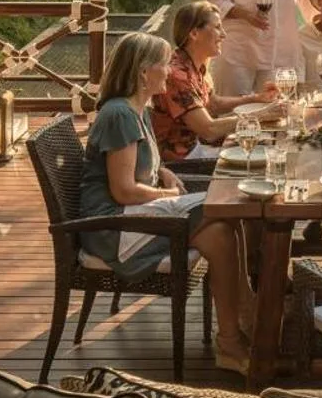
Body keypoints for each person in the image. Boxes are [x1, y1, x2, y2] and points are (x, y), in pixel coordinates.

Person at [78, 32, 256, 372]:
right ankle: (247, 314)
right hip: (113, 228)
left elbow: (140, 163)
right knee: (223, 204)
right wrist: (169, 195)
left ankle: (232, 337)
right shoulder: (119, 115)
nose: (170, 70)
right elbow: (124, 191)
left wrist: (164, 172)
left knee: (220, 233)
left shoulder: (138, 108)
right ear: (143, 72)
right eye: (164, 64)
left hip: (135, 216)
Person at [151, 0, 276, 162]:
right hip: (179, 163)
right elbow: (208, 129)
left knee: (266, 147)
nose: (224, 34)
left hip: (197, 150)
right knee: (264, 158)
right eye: (217, 27)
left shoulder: (191, 64)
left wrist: (257, 98)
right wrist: (262, 115)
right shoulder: (177, 76)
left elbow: (213, 103)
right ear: (194, 34)